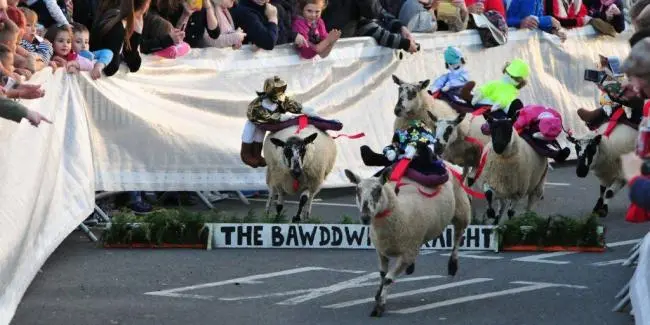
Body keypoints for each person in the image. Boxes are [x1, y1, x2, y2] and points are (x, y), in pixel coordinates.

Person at [241, 76, 315, 168]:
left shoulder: (280, 100)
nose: (279, 94)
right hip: (254, 122)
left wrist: (302, 109)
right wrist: (279, 117)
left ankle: (257, 156)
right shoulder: (258, 103)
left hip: (264, 126)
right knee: (249, 135)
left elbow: (289, 104)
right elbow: (260, 114)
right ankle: (246, 155)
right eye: (277, 90)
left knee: (259, 137)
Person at [90, 0, 149, 77]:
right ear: (145, 5)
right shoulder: (117, 25)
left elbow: (134, 64)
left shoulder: (111, 14)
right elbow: (110, 69)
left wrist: (136, 34)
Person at [460, 58, 530, 118]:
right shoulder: (498, 83)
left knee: (500, 116)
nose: (509, 77)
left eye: (513, 77)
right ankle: (468, 97)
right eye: (508, 74)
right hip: (486, 104)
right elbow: (487, 88)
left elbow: (505, 98)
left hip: (492, 108)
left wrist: (500, 103)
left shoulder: (511, 90)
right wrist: (480, 92)